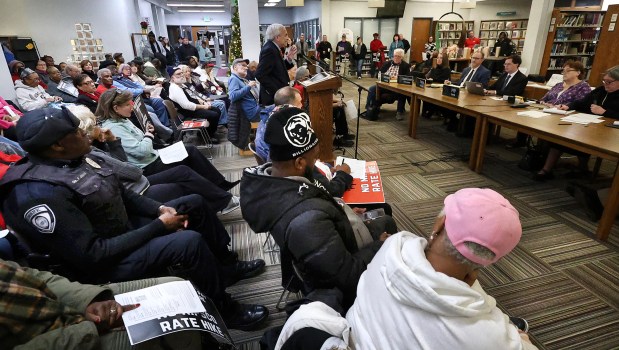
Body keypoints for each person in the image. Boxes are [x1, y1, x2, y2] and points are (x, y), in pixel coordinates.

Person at [0, 108, 268, 331]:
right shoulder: (36, 193)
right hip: (101, 264)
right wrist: (159, 226)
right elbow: (92, 255)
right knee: (188, 242)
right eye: (77, 132)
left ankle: (225, 267)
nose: (85, 133)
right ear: (57, 145)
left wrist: (159, 209)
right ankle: (226, 311)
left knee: (193, 203)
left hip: (119, 231)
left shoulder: (75, 159)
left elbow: (122, 194)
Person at [276, 188, 537, 350]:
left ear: (439, 224)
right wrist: (516, 337)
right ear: (492, 259)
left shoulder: (394, 247)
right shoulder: (490, 338)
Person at [241, 107, 398, 310]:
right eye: (314, 159)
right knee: (388, 226)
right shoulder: (306, 221)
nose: (317, 162)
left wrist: (343, 211)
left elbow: (319, 201)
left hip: (331, 242)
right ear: (299, 163)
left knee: (386, 219)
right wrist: (380, 246)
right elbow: (346, 277)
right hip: (344, 280)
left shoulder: (277, 182)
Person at [0, 259, 204, 349]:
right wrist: (87, 329)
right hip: (69, 339)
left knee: (178, 287)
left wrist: (88, 301)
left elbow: (36, 276)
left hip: (70, 308)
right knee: (179, 329)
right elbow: (93, 252)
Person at [534, 65, 619, 181]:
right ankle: (546, 169)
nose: (606, 84)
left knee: (581, 142)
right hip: (588, 125)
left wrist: (605, 112)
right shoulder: (600, 90)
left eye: (609, 82)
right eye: (605, 81)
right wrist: (567, 106)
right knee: (560, 138)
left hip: (609, 133)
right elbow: (581, 102)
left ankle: (583, 169)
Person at [506, 60, 591, 150]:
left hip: (563, 116)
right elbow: (544, 98)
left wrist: (561, 106)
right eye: (563, 71)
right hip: (547, 110)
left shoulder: (583, 87)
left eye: (568, 70)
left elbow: (579, 104)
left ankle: (542, 150)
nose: (564, 73)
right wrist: (543, 102)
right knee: (526, 115)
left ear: (578, 72)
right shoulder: (558, 85)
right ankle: (521, 141)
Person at [167, 67, 221, 140]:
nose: (182, 75)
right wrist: (204, 107)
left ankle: (208, 133)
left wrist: (203, 102)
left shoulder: (181, 85)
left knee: (217, 110)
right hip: (187, 113)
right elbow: (187, 105)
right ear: (172, 78)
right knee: (214, 115)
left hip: (193, 109)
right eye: (178, 74)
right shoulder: (175, 88)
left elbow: (193, 97)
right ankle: (206, 137)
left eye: (182, 73)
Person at [254, 87, 303, 162]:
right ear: (290, 107)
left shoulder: (270, 114)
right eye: (299, 102)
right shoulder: (281, 126)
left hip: (270, 162)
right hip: (276, 165)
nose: (301, 105)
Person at [256, 23, 297, 106]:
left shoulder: (274, 48)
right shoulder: (270, 50)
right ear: (277, 37)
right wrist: (276, 92)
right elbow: (260, 74)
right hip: (273, 99)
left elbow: (277, 69)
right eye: (285, 35)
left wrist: (288, 59)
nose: (287, 38)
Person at [365, 48, 411, 121]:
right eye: (395, 56)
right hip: (385, 85)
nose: (396, 58)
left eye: (398, 56)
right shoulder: (387, 63)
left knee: (402, 93)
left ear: (402, 57)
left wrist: (396, 78)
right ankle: (370, 108)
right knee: (372, 89)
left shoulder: (405, 66)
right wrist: (384, 77)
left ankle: (399, 112)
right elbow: (378, 75)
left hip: (397, 87)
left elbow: (407, 78)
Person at [422, 52, 451, 119]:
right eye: (438, 58)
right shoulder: (434, 69)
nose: (439, 59)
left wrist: (434, 79)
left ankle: (433, 111)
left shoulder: (447, 70)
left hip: (440, 90)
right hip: (432, 88)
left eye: (441, 58)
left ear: (444, 60)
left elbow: (443, 80)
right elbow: (432, 78)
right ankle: (428, 111)